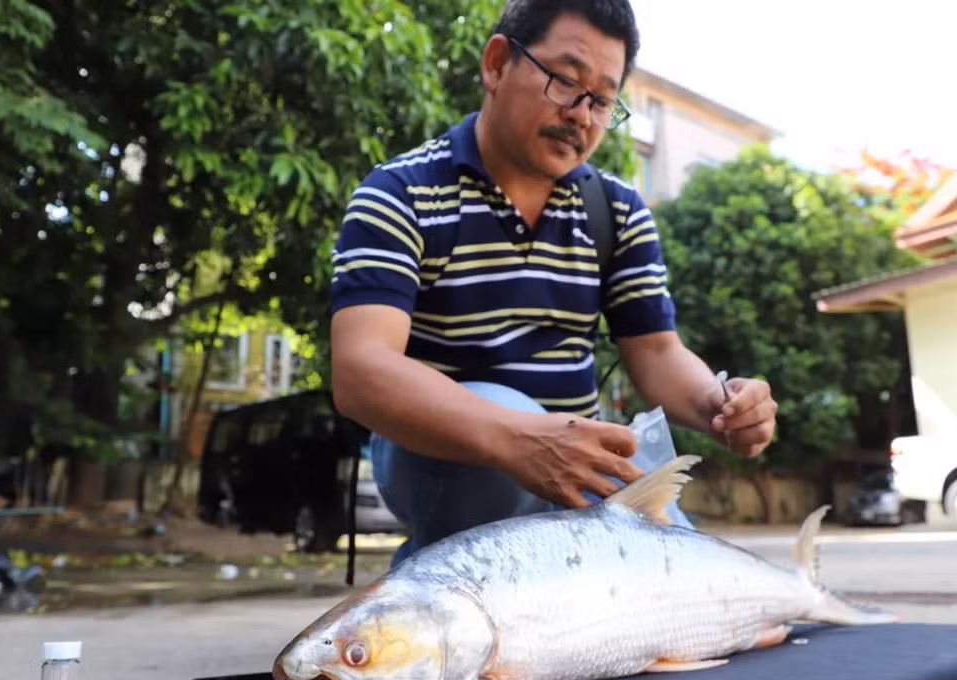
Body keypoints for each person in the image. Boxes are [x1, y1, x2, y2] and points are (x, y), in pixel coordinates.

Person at [327, 0, 777, 566]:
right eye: (566, 82)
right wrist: (522, 437)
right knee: (494, 410)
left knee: (690, 577)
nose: (583, 116)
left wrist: (722, 403)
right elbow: (361, 371)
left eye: (603, 100)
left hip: (578, 465)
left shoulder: (616, 210)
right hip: (445, 460)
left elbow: (658, 352)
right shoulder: (402, 194)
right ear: (496, 65)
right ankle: (451, 584)